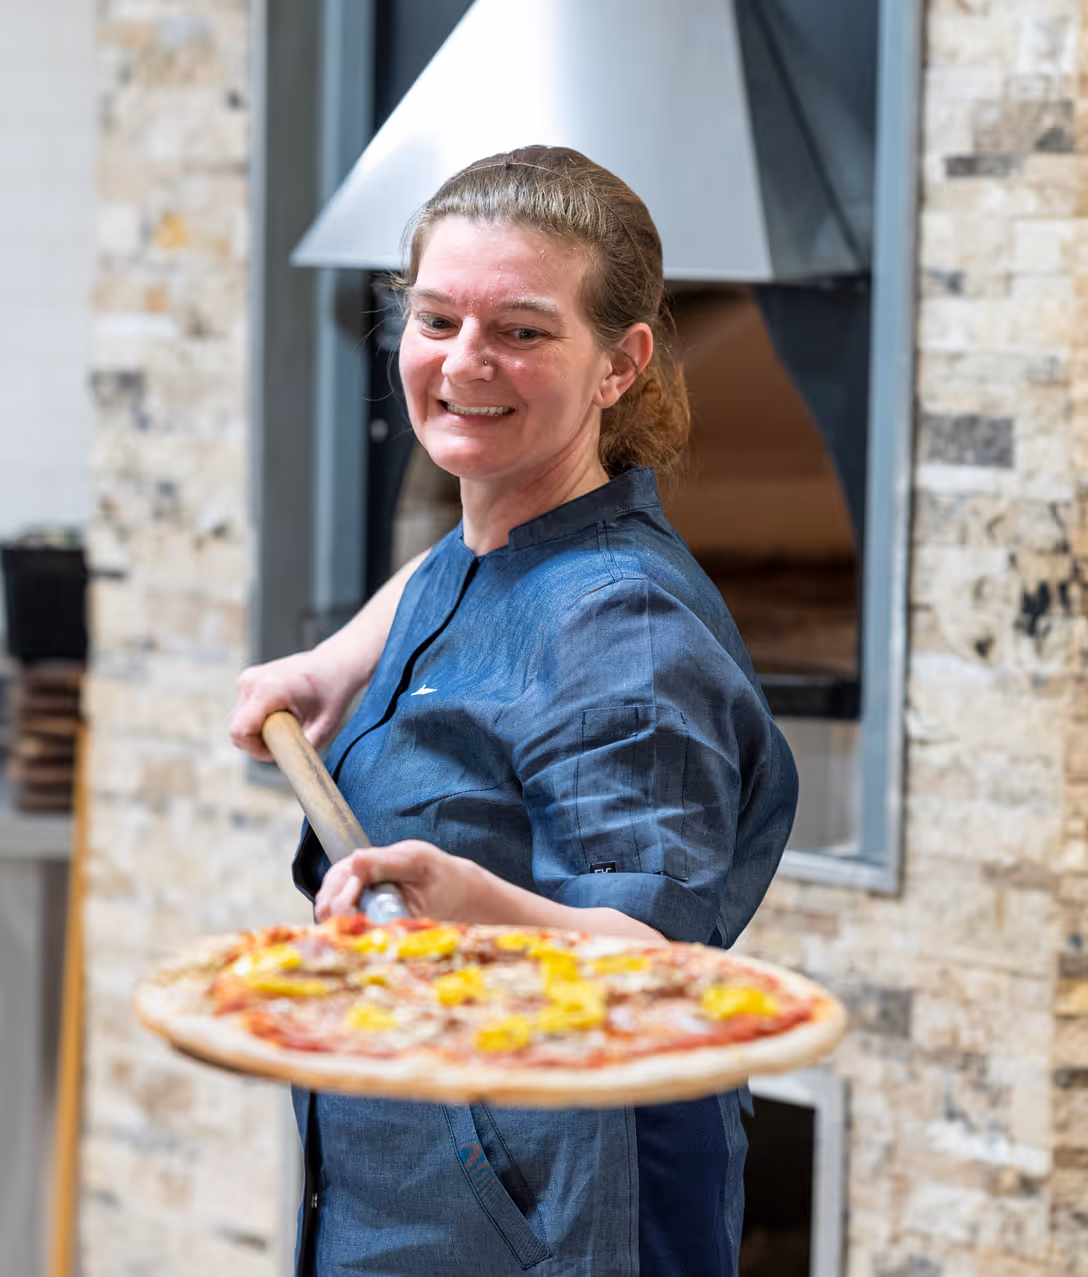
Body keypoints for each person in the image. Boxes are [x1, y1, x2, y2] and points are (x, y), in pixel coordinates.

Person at [228, 144, 798, 1276]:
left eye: (523, 331)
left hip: (555, 1216)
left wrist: (472, 902)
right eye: (436, 318)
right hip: (409, 1181)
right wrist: (343, 655)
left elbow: (655, 968)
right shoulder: (489, 539)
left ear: (619, 364)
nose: (464, 362)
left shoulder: (622, 634)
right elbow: (468, 556)